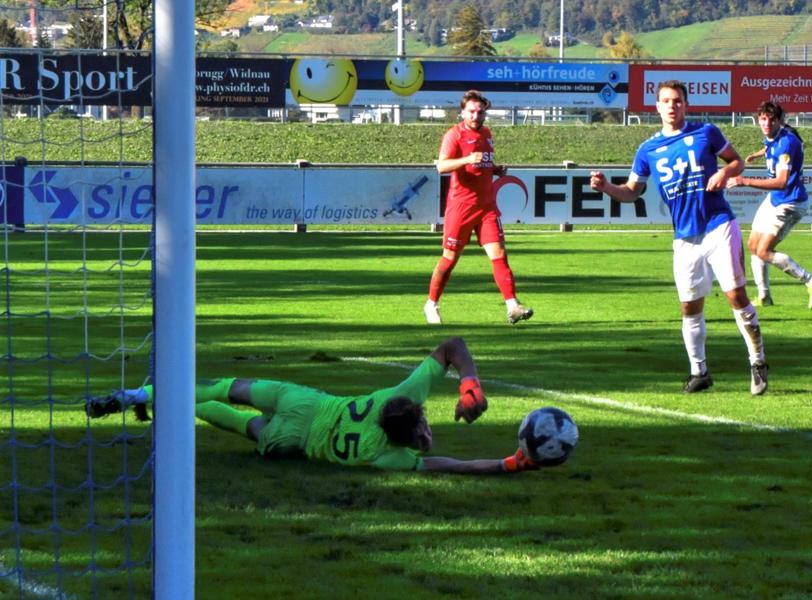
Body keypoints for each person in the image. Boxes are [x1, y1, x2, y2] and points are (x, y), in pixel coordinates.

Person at [85, 337, 541, 474]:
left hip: (304, 401)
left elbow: (453, 345)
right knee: (238, 424)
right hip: (296, 440)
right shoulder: (390, 457)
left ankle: (142, 395)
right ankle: (163, 405)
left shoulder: (397, 396)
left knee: (226, 386)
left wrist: (468, 385)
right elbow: (451, 465)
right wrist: (509, 464)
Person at [589, 80, 768, 396]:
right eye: (666, 101)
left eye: (677, 101)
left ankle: (757, 361)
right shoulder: (647, 150)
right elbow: (632, 192)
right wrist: (606, 188)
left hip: (718, 224)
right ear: (657, 107)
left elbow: (737, 161)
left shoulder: (706, 132)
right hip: (684, 237)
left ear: (686, 104)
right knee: (689, 306)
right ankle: (699, 371)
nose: (672, 106)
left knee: (735, 296)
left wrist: (724, 173)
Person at [425, 90, 533, 325]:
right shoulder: (453, 135)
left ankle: (512, 306)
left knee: (500, 255)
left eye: (480, 111)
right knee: (450, 259)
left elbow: (481, 162)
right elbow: (441, 166)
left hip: (486, 207)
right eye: (471, 111)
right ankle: (431, 304)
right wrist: (465, 160)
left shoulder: (486, 133)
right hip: (461, 207)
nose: (476, 115)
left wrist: (494, 169)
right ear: (462, 112)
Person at [726, 101, 812, 309]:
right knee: (753, 244)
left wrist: (744, 180)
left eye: (771, 119)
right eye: (763, 119)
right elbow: (769, 144)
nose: (766, 123)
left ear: (779, 121)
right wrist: (757, 153)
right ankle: (764, 297)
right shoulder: (775, 136)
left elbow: (781, 182)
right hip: (775, 199)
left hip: (790, 202)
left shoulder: (786, 144)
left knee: (763, 250)